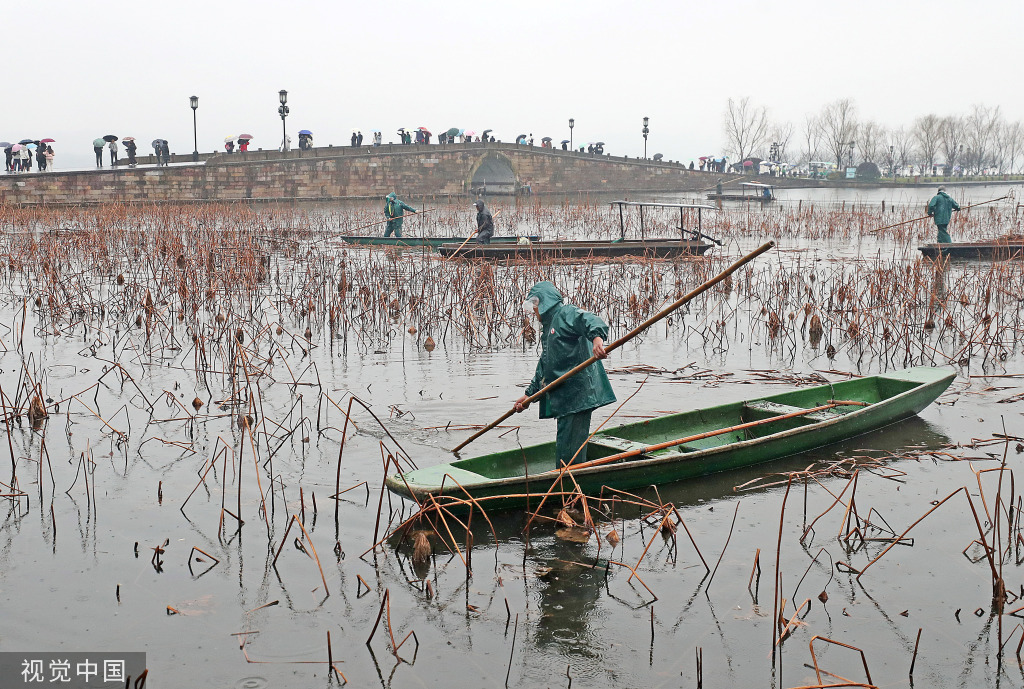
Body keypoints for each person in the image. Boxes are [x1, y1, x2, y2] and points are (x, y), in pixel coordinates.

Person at [513, 282, 616, 466]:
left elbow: (591, 320)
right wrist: (529, 395)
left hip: (578, 396)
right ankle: (567, 483)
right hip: (565, 398)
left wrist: (597, 340)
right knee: (565, 445)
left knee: (568, 454)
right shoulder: (549, 327)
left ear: (543, 303)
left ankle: (569, 489)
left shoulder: (566, 313)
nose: (533, 312)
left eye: (534, 306)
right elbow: (545, 366)